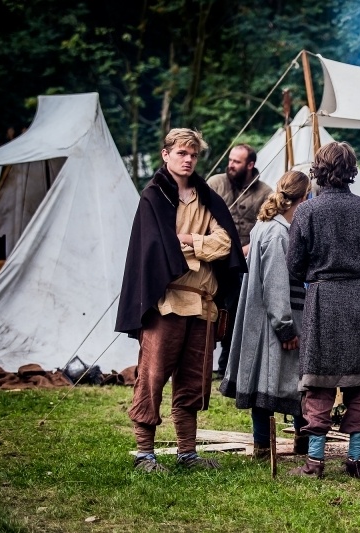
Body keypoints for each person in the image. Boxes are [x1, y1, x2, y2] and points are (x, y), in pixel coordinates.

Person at [115, 128, 246, 472]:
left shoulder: (207, 197)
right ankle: (145, 453)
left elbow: (226, 244)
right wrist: (201, 245)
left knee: (193, 381)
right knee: (153, 376)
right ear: (166, 155)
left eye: (193, 155)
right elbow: (158, 248)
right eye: (181, 153)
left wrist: (188, 241)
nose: (188, 160)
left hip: (203, 305)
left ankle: (187, 453)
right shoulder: (154, 197)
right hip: (167, 302)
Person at [287, 142, 360, 479]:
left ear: (319, 169)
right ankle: (355, 460)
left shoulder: (306, 212)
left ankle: (315, 464)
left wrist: (323, 274)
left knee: (319, 382)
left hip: (322, 301)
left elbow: (294, 266)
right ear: (351, 169)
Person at [219, 170, 310, 459]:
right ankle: (293, 443)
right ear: (303, 198)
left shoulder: (264, 226)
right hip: (277, 318)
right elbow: (275, 283)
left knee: (265, 380)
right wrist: (285, 327)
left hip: (264, 317)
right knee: (293, 383)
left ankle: (266, 445)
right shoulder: (277, 233)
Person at [208, 144, 273, 379]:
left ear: (250, 165)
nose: (231, 165)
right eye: (230, 159)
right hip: (213, 261)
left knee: (235, 314)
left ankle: (227, 367)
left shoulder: (265, 193)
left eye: (237, 161)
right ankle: (204, 364)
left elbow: (266, 228)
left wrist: (244, 249)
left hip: (243, 264)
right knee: (209, 311)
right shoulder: (215, 184)